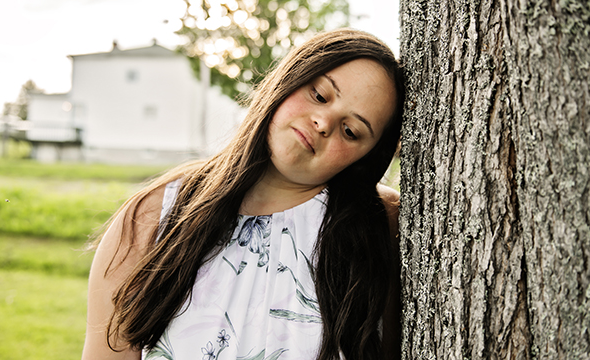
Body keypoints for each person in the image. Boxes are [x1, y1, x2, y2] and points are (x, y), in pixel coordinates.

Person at [82, 28, 404, 360]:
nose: (323, 122)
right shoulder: (155, 215)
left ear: (364, 159)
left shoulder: (381, 228)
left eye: (351, 131)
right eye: (319, 95)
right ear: (289, 79)